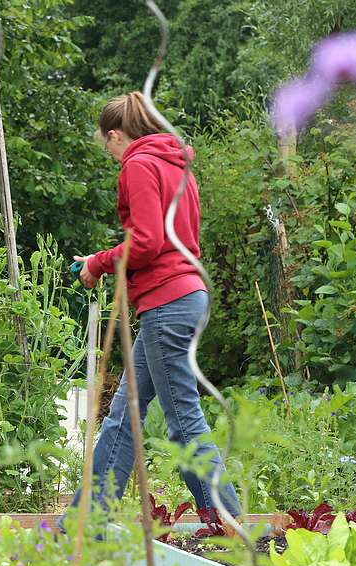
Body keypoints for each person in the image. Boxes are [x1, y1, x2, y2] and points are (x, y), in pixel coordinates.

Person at [63, 91, 242, 530]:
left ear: (115, 135)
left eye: (107, 146)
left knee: (183, 418)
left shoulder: (138, 166)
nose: (110, 155)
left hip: (167, 301)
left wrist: (98, 263)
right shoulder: (175, 166)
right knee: (124, 415)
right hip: (183, 296)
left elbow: (146, 243)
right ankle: (88, 521)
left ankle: (229, 523)